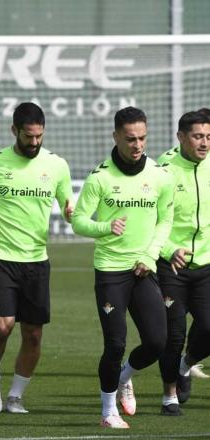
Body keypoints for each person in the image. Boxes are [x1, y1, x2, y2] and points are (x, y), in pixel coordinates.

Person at [72, 106, 173, 428]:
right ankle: (107, 412)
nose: (138, 145)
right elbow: (78, 221)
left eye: (142, 138)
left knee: (158, 342)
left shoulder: (159, 176)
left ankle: (124, 377)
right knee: (115, 343)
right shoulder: (100, 178)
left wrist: (150, 255)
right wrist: (105, 228)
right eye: (130, 139)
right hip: (110, 270)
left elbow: (165, 220)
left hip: (144, 269)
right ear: (116, 136)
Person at [0, 102, 73, 414]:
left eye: (39, 136)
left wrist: (71, 213)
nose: (34, 142)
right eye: (28, 136)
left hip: (36, 261)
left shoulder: (57, 166)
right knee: (3, 326)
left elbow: (69, 205)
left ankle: (15, 395)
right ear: (14, 131)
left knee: (34, 333)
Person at [156, 110, 210, 415]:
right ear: (180, 137)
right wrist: (167, 250)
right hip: (170, 266)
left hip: (206, 264)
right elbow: (151, 221)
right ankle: (169, 396)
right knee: (173, 334)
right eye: (198, 136)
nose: (204, 143)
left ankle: (186, 365)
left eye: (208, 137)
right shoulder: (164, 169)